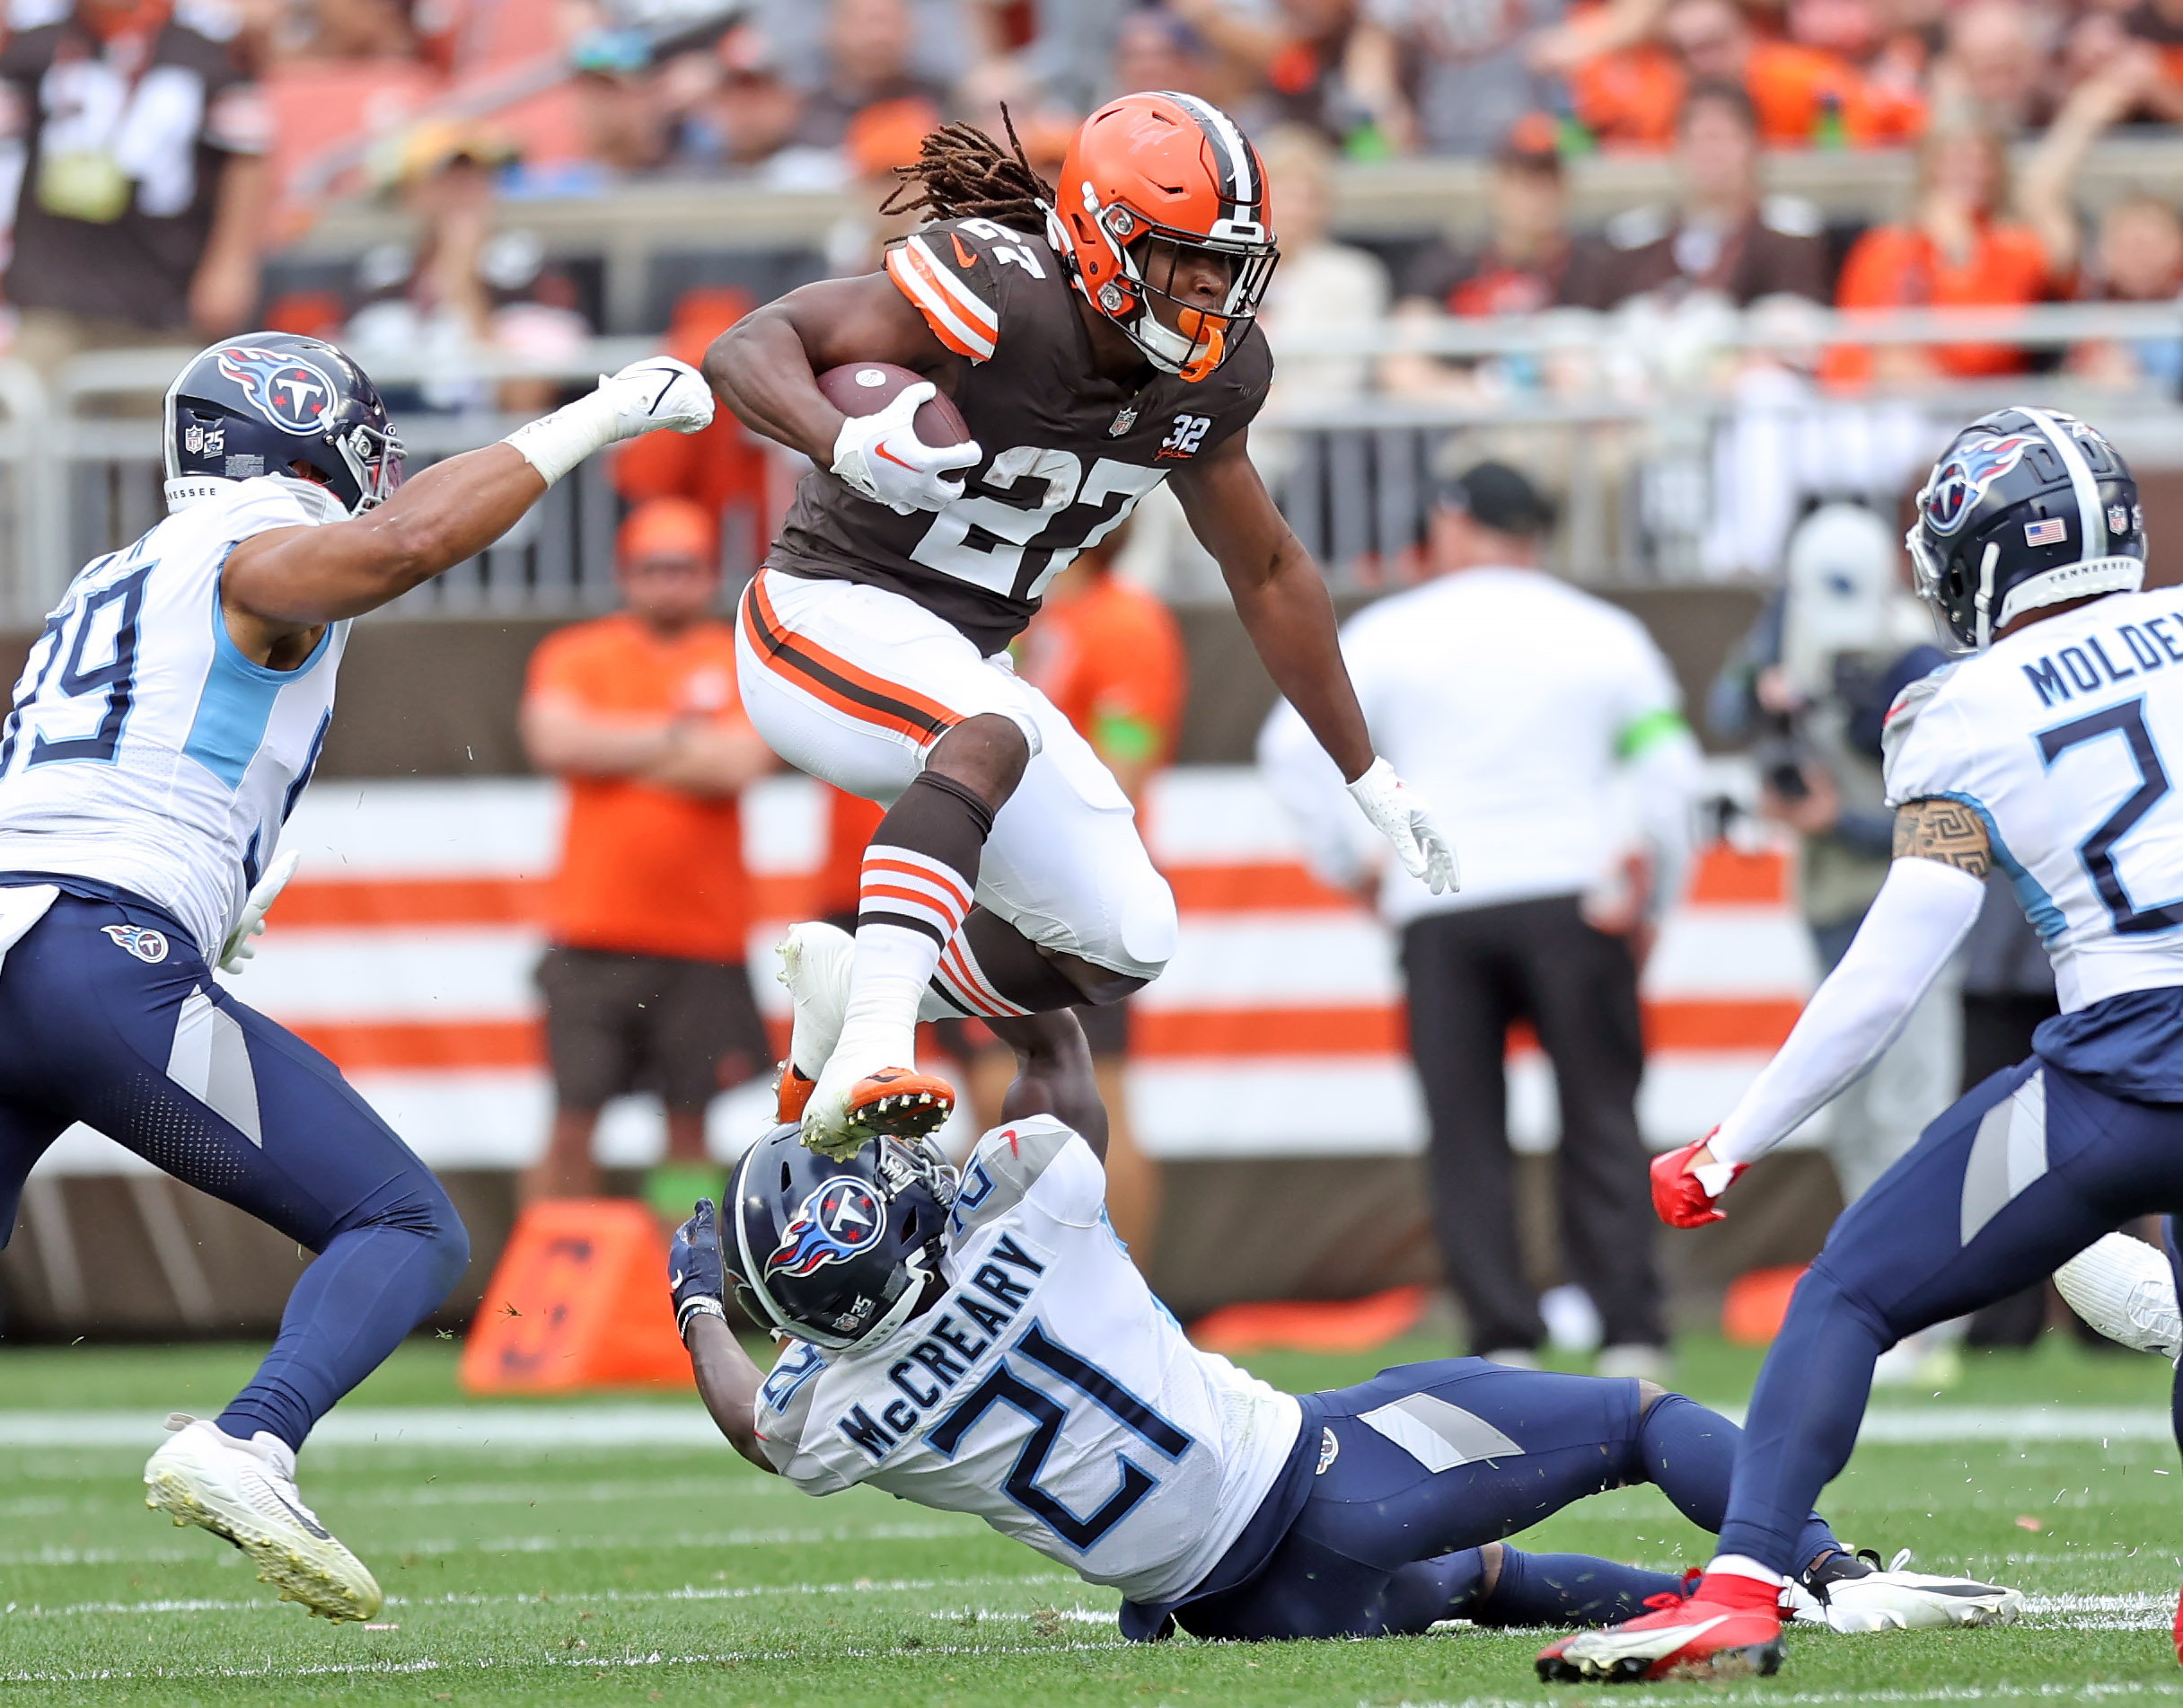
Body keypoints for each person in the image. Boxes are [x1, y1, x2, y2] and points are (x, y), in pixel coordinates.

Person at [665, 951, 2021, 1643]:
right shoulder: (1047, 1217)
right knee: (1629, 1417)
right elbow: (1057, 1069)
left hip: (1232, 1605)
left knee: (1478, 1576)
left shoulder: (834, 1414)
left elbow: (748, 1417)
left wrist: (693, 1304)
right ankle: (1826, 1574)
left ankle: (1730, 1602)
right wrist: (970, 970)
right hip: (1314, 1482)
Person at [0, 334, 714, 1619]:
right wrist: (590, 419)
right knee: (402, 1221)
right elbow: (399, 551)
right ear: (297, 434)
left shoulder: (113, 574)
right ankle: (250, 1439)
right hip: (93, 952)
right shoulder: (255, 544)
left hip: (36, 926)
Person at [1537, 405, 2183, 1681]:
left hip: (2117, 1070)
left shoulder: (1959, 710)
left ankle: (1737, 1585)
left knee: (1846, 1289)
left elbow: (1884, 969)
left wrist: (1734, 1140)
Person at [702, 96, 1456, 1160]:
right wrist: (840, 441)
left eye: (1225, 268)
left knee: (1124, 938)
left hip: (961, 662)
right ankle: (875, 1047)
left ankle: (861, 988)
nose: (1209, 293)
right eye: (1183, 262)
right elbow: (747, 345)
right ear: (1102, 236)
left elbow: (1271, 569)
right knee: (988, 731)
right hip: (820, 613)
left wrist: (1364, 770)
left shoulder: (1210, 381)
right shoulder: (997, 291)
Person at [1259, 462, 1699, 1371]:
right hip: (1574, 893)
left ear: (1454, 526)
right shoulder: (1601, 633)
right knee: (1602, 1119)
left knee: (1463, 1132)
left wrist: (1357, 868)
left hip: (1440, 904)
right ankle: (1629, 1328)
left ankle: (1502, 1337)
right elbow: (1670, 779)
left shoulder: (1392, 632)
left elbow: (1287, 748)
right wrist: (1654, 903)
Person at [518, 496, 778, 1217]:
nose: (669, 583)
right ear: (624, 573)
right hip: (593, 934)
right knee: (573, 1121)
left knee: (690, 1128)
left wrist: (615, 751)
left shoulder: (736, 659)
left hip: (703, 938)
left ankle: (680, 1285)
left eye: (684, 568)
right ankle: (545, 1284)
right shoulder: (576, 653)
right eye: (653, 568)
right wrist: (677, 737)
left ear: (708, 575)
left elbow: (740, 764)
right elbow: (554, 742)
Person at [0, 0, 274, 374]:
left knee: (172, 420)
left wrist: (230, 264)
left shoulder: (207, 48)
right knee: (22, 406)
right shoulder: (37, 44)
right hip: (50, 298)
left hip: (164, 298)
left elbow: (245, 153)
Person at [1825, 119, 2064, 388]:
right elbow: (1846, 351)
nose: (1965, 172)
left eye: (1979, 161)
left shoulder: (2018, 247)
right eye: (1951, 160)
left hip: (1979, 408)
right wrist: (1883, 370)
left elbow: (1979, 355)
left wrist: (1959, 254)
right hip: (1884, 406)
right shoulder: (1882, 247)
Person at [1562, 84, 1829, 312]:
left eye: (1724, 138)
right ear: (1676, 150)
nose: (1712, 154)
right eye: (1698, 139)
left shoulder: (1790, 237)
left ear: (1753, 147)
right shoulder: (1634, 242)